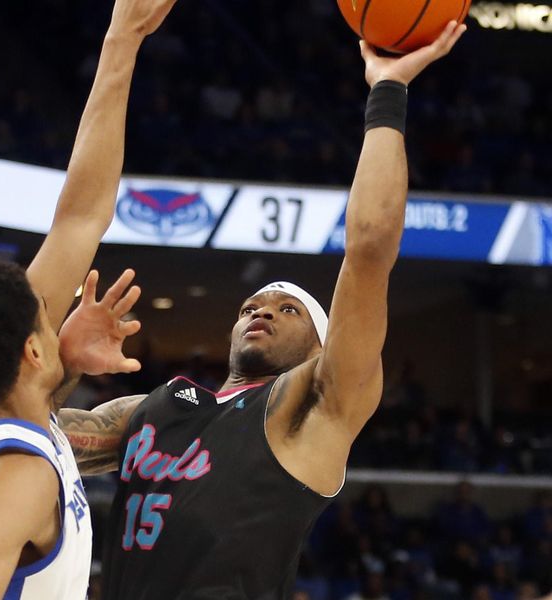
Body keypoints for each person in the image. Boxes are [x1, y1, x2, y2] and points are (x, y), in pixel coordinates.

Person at [58, 22, 468, 599]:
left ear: (323, 346)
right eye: (252, 304)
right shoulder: (157, 407)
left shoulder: (314, 407)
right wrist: (66, 365)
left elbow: (371, 249)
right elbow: (24, 433)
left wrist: (388, 91)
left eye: (288, 309)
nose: (262, 311)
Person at [0, 1, 178, 599]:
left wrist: (123, 37)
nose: (55, 303)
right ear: (31, 353)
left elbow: (81, 217)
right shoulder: (14, 481)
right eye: (47, 313)